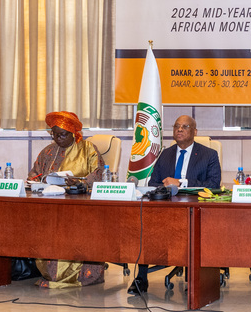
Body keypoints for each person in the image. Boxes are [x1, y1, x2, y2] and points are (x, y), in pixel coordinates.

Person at [129, 115, 222, 295]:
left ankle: (196, 279)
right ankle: (141, 277)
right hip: (166, 207)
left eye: (185, 126)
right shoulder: (165, 154)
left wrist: (182, 183)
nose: (179, 129)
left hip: (195, 209)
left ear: (194, 132)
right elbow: (154, 182)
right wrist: (164, 186)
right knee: (143, 226)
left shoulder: (209, 154)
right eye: (176, 126)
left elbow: (214, 184)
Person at [27, 111, 106, 288]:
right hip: (50, 205)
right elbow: (33, 174)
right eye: (54, 134)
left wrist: (79, 182)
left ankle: (76, 275)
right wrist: (38, 180)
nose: (58, 138)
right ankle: (48, 271)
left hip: (80, 206)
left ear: (73, 133)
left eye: (62, 134)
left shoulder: (88, 149)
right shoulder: (48, 151)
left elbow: (100, 175)